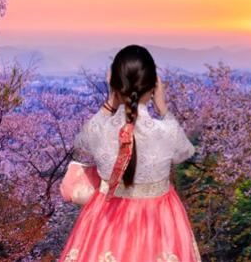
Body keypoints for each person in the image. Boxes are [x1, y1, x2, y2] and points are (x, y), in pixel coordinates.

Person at [59, 45, 200, 262]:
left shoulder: (101, 131)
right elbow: (185, 152)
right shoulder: (166, 132)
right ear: (154, 86)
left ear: (114, 83)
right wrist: (162, 107)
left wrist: (111, 100)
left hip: (107, 221)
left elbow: (82, 142)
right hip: (160, 223)